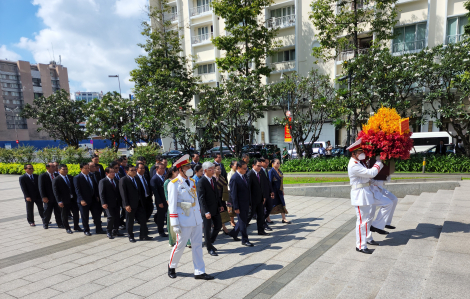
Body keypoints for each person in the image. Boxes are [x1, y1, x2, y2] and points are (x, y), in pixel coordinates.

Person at [167, 154, 214, 280]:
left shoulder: (192, 181)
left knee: (197, 245)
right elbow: (172, 205)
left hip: (196, 218)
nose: (189, 168)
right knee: (180, 245)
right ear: (180, 169)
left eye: (189, 166)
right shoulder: (174, 184)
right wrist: (175, 223)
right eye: (186, 166)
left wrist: (200, 216)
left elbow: (196, 201)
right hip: (183, 219)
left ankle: (199, 271)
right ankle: (172, 266)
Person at [347, 139, 385, 254]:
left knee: (367, 219)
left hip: (365, 193)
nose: (362, 154)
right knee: (361, 221)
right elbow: (371, 173)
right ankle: (360, 246)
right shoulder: (354, 165)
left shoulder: (359, 162)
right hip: (359, 195)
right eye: (359, 152)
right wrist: (380, 161)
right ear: (353, 153)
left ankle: (367, 238)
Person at [119, 164, 152, 243]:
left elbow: (140, 191)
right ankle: (130, 236)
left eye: (134, 170)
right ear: (127, 171)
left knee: (143, 219)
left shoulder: (137, 178)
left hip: (139, 204)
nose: (134, 171)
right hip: (130, 205)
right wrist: (126, 205)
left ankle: (143, 235)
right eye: (132, 170)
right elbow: (123, 194)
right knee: (130, 221)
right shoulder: (123, 180)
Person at [197, 162, 223, 256]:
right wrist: (205, 211)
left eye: (213, 169)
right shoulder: (201, 181)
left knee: (218, 225)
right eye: (211, 169)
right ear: (205, 171)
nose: (213, 171)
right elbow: (201, 198)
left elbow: (216, 193)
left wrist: (220, 204)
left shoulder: (213, 179)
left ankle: (209, 242)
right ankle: (209, 248)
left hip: (215, 208)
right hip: (207, 210)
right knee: (207, 230)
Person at [74, 162, 105, 236]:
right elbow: (77, 190)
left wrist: (97, 196)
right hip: (84, 200)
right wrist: (81, 200)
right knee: (85, 216)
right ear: (81, 169)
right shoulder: (77, 178)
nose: (88, 169)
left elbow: (95, 186)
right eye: (86, 168)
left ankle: (99, 229)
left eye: (88, 168)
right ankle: (86, 230)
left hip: (93, 199)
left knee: (97, 215)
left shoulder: (91, 175)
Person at [228, 160, 253, 246]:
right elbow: (233, 194)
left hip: (246, 203)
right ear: (238, 168)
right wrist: (236, 207)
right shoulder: (234, 178)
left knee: (243, 220)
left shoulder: (244, 176)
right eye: (244, 168)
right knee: (243, 222)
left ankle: (234, 233)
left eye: (246, 168)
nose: (246, 170)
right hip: (239, 204)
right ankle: (245, 240)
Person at [52, 164, 82, 234]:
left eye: (66, 169)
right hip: (64, 200)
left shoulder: (71, 177)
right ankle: (67, 228)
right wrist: (59, 201)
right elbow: (55, 191)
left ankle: (76, 226)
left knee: (76, 213)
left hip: (73, 200)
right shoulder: (56, 179)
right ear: (59, 170)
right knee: (64, 215)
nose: (65, 171)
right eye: (63, 169)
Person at [246, 159, 271, 236]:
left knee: (261, 215)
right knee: (249, 216)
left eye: (260, 166)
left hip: (260, 199)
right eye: (258, 166)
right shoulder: (250, 174)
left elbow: (262, 186)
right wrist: (249, 201)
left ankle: (261, 231)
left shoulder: (260, 173)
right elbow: (248, 189)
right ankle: (236, 230)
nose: (260, 167)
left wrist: (263, 197)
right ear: (253, 165)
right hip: (253, 200)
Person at [99, 167, 124, 239]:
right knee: (110, 217)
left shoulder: (116, 180)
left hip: (116, 203)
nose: (113, 173)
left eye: (114, 172)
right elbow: (101, 193)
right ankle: (108, 231)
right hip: (108, 203)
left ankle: (115, 230)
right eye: (111, 172)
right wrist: (103, 203)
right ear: (107, 173)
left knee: (117, 217)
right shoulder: (103, 181)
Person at [39, 162, 64, 229]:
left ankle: (60, 223)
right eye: (52, 167)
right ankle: (45, 223)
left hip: (56, 198)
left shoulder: (56, 175)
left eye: (55, 166)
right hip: (48, 198)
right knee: (47, 211)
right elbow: (41, 187)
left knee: (58, 211)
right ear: (47, 168)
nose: (54, 168)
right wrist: (43, 197)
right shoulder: (43, 176)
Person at [268, 159, 291, 224]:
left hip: (279, 191)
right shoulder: (271, 172)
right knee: (271, 205)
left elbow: (281, 182)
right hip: (274, 191)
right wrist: (271, 191)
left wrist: (282, 190)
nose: (278, 164)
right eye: (277, 163)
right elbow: (269, 182)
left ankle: (284, 218)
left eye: (279, 163)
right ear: (273, 163)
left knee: (282, 204)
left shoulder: (279, 171)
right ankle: (268, 218)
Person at [150, 162, 169, 238]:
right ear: (157, 169)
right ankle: (161, 231)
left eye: (164, 168)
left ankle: (168, 228)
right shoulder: (154, 179)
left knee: (167, 215)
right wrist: (159, 202)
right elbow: (156, 192)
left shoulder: (164, 177)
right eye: (161, 168)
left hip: (166, 200)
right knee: (161, 217)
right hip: (160, 201)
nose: (163, 170)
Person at [214, 164, 231, 235]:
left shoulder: (222, 178)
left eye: (220, 169)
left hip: (222, 197)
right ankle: (223, 227)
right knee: (218, 213)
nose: (219, 170)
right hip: (216, 198)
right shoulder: (213, 178)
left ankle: (221, 225)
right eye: (218, 169)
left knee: (223, 212)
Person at [260, 158, 275, 230]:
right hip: (262, 194)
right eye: (266, 162)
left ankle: (262, 219)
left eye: (268, 162)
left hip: (268, 193)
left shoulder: (266, 170)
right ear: (262, 162)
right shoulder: (259, 171)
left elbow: (268, 182)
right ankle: (263, 223)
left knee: (269, 207)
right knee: (262, 210)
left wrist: (271, 191)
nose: (267, 164)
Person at [226, 160, 237, 227]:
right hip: (231, 192)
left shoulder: (237, 172)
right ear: (232, 166)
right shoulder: (230, 174)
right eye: (236, 165)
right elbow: (230, 184)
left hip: (237, 191)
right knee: (231, 207)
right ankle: (231, 221)